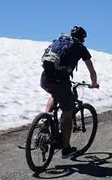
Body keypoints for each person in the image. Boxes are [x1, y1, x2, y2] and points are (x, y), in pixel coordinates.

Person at [40, 25, 99, 158]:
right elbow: (91, 69)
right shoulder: (80, 47)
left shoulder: (59, 41)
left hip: (45, 78)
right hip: (61, 81)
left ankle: (46, 119)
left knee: (54, 95)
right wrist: (94, 84)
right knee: (68, 114)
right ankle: (66, 149)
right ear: (82, 38)